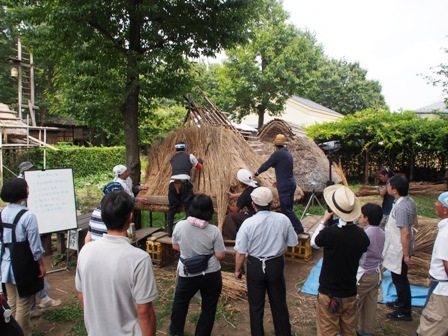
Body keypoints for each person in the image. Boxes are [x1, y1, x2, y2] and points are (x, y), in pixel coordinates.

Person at [76, 191, 158, 335]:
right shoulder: (139, 259)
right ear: (130, 218)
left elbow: (82, 295)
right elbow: (145, 312)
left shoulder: (85, 251)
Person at [234, 187, 298, 336]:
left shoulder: (248, 224)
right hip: (275, 264)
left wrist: (237, 270)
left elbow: (240, 253)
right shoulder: (283, 219)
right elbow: (292, 242)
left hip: (255, 265)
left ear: (253, 204)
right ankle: (284, 333)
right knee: (279, 302)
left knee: (256, 305)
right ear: (272, 202)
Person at [310, 184, 370, 336]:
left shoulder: (330, 233)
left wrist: (324, 221)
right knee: (349, 329)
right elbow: (362, 259)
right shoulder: (362, 236)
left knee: (327, 330)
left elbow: (314, 243)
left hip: (329, 293)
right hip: (349, 291)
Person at [169, 194, 225, 336]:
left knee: (180, 302)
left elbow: (175, 246)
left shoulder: (180, 226)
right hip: (211, 273)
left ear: (192, 208)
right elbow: (220, 255)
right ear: (210, 211)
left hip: (188, 272)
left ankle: (176, 332)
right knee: (209, 307)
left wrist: (189, 251)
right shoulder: (214, 230)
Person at [0, 178, 46, 336]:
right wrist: (40, 263)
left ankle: (11, 330)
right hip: (24, 265)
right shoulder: (28, 216)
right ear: (22, 192)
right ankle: (22, 333)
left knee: (12, 302)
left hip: (6, 263)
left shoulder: (2, 213)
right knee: (24, 303)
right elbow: (35, 245)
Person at [17, 162, 61, 317]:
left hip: (18, 247)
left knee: (29, 279)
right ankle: (34, 306)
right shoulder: (22, 192)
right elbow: (33, 243)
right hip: (24, 244)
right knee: (33, 275)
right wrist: (39, 260)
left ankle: (38, 303)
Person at [254, 134, 304, 234]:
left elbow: (267, 164)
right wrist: (279, 180)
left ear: (275, 145)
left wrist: (256, 173)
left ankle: (299, 228)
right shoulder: (287, 154)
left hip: (285, 185)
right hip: (290, 182)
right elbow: (285, 169)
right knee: (288, 208)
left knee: (286, 209)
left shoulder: (278, 154)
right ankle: (289, 227)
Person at [382, 175, 416, 322]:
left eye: (388, 185)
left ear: (394, 190)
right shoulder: (408, 201)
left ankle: (404, 311)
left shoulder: (401, 207)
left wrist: (406, 254)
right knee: (398, 278)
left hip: (400, 249)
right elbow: (415, 221)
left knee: (400, 279)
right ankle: (400, 302)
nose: (386, 187)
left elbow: (405, 231)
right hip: (399, 247)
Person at [417, 191, 448, 335]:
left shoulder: (445, 234)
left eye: (438, 202)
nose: (435, 204)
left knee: (431, 329)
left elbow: (447, 265)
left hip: (442, 292)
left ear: (445, 209)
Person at [355, 203, 385, 336]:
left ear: (366, 218)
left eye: (362, 215)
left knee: (354, 303)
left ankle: (348, 330)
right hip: (377, 272)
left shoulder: (366, 234)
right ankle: (367, 331)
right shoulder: (382, 232)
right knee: (370, 303)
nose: (361, 217)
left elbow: (360, 254)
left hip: (365, 274)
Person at [167, 142, 203, 236]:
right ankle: (187, 231)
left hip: (172, 183)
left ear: (176, 149)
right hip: (184, 183)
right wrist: (199, 161)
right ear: (185, 148)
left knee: (171, 209)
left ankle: (169, 232)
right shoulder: (190, 156)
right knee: (188, 207)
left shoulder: (172, 158)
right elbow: (199, 167)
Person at [222, 168, 258, 240]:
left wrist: (227, 205)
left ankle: (231, 238)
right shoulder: (256, 184)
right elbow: (245, 193)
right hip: (259, 211)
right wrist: (233, 195)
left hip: (253, 215)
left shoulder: (244, 196)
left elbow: (235, 210)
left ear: (242, 182)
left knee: (231, 216)